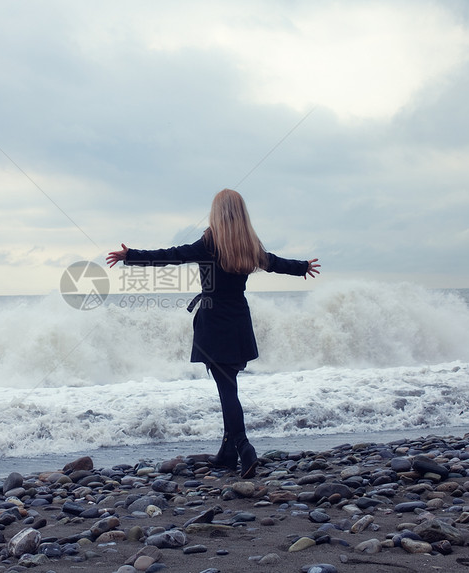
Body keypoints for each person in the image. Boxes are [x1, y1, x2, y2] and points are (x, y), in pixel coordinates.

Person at [106, 188, 320, 478]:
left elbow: (172, 255)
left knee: (227, 389)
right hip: (239, 321)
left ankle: (244, 446)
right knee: (228, 384)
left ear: (217, 212)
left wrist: (131, 256)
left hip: (214, 321)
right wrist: (302, 267)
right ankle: (228, 452)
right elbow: (274, 263)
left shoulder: (210, 241)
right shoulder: (249, 242)